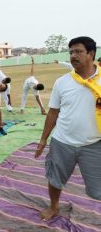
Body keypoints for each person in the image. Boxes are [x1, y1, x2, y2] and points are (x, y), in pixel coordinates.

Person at [35, 36, 101, 221]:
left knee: (97, 190)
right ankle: (54, 206)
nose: (73, 56)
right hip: (62, 141)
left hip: (95, 143)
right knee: (55, 180)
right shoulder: (62, 82)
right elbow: (53, 113)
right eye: (71, 52)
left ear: (91, 54)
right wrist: (42, 140)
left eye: (78, 51)